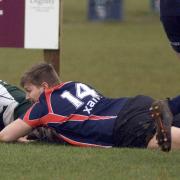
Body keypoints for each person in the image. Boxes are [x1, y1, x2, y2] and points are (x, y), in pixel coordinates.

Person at [0, 63, 180, 152]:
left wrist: (18, 138)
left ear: (45, 87)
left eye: (29, 90)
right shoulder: (74, 84)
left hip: (121, 125)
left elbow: (5, 135)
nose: (27, 97)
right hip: (134, 104)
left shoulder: (44, 105)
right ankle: (171, 105)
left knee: (160, 142)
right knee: (168, 132)